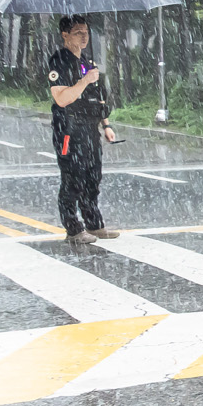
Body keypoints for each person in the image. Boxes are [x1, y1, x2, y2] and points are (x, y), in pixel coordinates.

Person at [46, 14, 119, 244]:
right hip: (68, 127)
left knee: (92, 177)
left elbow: (98, 98)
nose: (84, 36)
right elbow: (61, 98)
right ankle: (73, 228)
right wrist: (84, 81)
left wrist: (105, 124)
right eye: (78, 32)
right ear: (65, 35)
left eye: (86, 32)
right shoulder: (58, 61)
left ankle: (94, 224)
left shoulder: (87, 61)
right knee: (73, 178)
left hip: (90, 127)